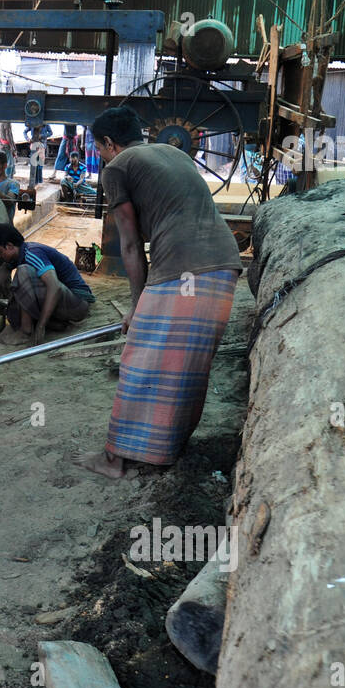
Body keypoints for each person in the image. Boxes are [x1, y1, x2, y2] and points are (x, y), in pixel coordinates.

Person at [74, 105, 242, 480]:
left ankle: (115, 460)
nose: (100, 155)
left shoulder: (117, 167)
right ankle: (163, 454)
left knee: (139, 360)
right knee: (185, 368)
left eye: (99, 148)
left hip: (183, 268)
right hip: (224, 265)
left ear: (108, 143)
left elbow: (131, 246)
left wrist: (136, 308)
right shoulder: (173, 153)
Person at [0, 222, 95, 346]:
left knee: (23, 271)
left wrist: (41, 326)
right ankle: (54, 323)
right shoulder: (20, 253)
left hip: (78, 302)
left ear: (9, 246)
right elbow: (5, 268)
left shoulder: (32, 253)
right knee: (13, 313)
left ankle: (26, 331)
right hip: (67, 301)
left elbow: (55, 287)